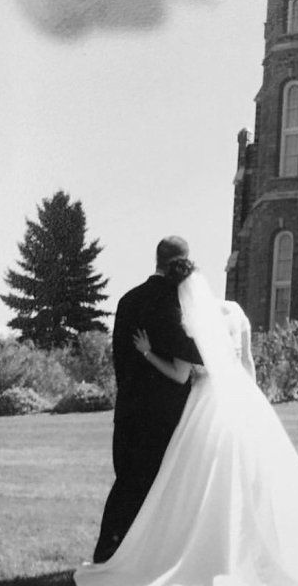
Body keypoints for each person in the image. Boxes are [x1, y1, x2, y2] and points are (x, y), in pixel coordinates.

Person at [75, 262, 298, 586]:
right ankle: (254, 551)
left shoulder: (190, 322)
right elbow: (248, 363)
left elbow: (180, 376)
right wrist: (253, 405)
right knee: (256, 481)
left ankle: (212, 552)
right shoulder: (236, 312)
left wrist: (149, 352)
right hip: (243, 399)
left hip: (205, 403)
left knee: (200, 482)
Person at [92, 235, 203, 564]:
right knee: (152, 489)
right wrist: (219, 353)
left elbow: (119, 359)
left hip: (127, 412)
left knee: (126, 484)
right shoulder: (172, 299)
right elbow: (180, 345)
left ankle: (111, 553)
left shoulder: (127, 300)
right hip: (161, 416)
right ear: (183, 262)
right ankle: (129, 558)